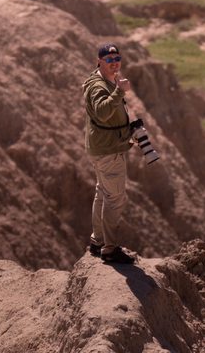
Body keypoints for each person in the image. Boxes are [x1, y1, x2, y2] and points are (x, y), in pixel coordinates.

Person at [82, 43, 136, 264]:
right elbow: (104, 113)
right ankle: (110, 249)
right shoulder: (98, 86)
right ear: (99, 61)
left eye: (117, 59)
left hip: (103, 147)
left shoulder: (103, 80)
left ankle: (98, 241)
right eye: (109, 60)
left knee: (103, 193)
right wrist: (119, 91)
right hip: (108, 152)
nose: (114, 63)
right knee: (115, 199)